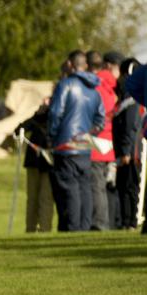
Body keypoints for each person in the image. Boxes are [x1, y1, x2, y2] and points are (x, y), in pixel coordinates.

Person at [48, 50, 105, 232]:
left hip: (66, 144)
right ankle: (84, 227)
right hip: (84, 146)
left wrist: (53, 135)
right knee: (84, 187)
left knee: (70, 187)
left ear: (71, 65)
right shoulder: (95, 91)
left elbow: (56, 113)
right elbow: (100, 120)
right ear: (86, 66)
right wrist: (88, 135)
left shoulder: (65, 85)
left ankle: (73, 228)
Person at [86, 51, 117, 230]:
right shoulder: (109, 87)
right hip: (109, 143)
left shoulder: (94, 87)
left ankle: (99, 223)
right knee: (103, 187)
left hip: (96, 143)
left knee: (96, 187)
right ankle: (106, 222)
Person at [113, 58, 143, 231]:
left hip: (132, 151)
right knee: (125, 186)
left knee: (129, 186)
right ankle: (126, 221)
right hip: (129, 149)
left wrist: (125, 151)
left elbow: (130, 126)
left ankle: (129, 221)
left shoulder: (132, 98)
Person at [17, 99, 54, 232]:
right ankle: (30, 229)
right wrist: (37, 115)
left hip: (49, 162)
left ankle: (45, 229)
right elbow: (19, 130)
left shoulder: (56, 116)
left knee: (46, 198)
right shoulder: (36, 119)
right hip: (33, 162)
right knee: (32, 198)